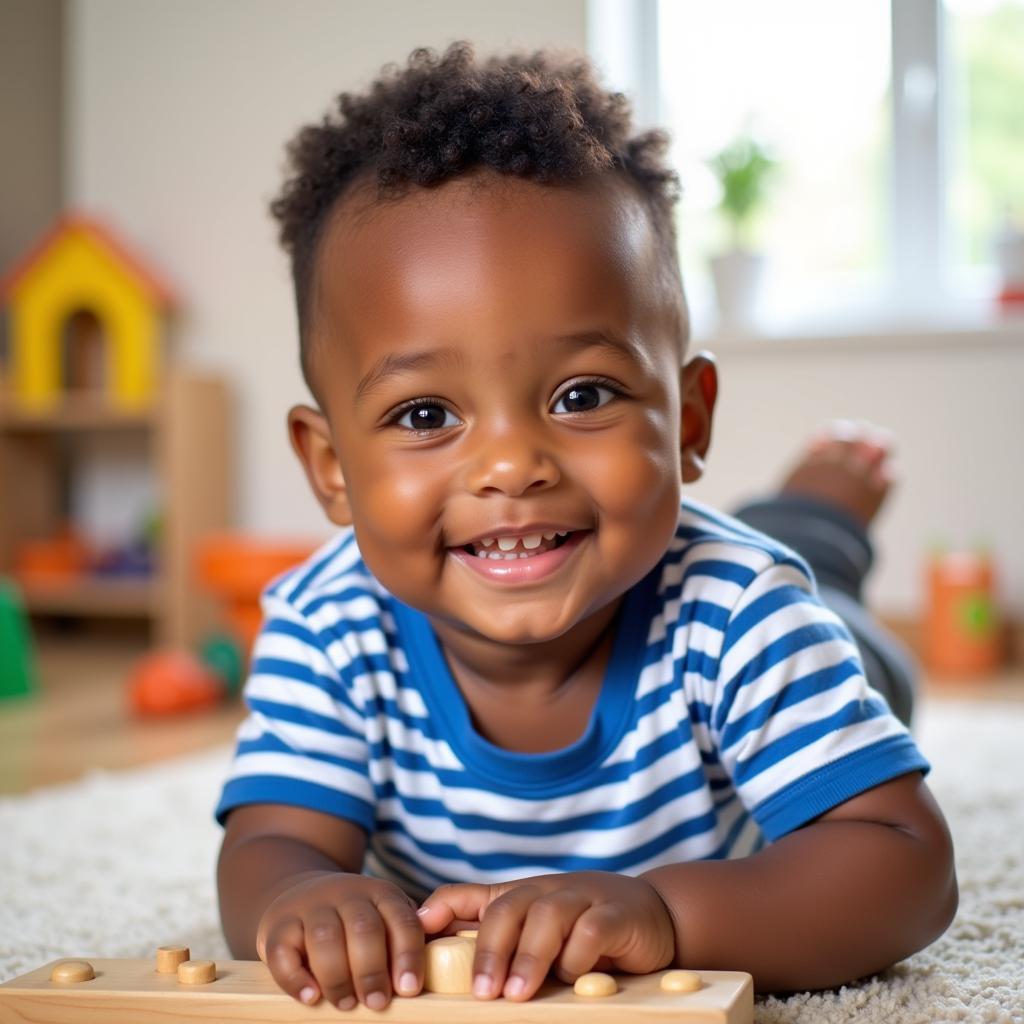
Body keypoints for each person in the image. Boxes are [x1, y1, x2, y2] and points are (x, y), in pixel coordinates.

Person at [215, 42, 955, 1012]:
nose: (512, 463)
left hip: (790, 620)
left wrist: (666, 911)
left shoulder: (739, 612)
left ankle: (819, 517)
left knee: (838, 618)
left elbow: (905, 867)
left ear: (687, 422)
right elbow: (272, 841)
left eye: (582, 394)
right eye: (426, 414)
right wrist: (305, 896)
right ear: (330, 467)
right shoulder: (325, 622)